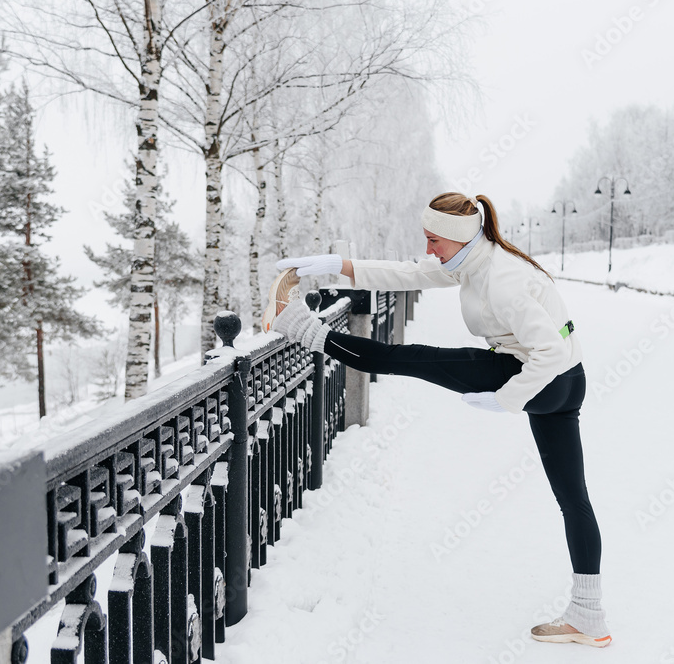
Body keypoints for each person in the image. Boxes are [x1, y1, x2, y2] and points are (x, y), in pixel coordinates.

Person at [262, 192, 611, 648]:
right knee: (573, 500)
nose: (429, 249)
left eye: (433, 240)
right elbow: (408, 273)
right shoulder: (474, 256)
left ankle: (299, 326)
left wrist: (507, 399)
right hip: (568, 380)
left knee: (408, 359)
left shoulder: (502, 276)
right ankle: (590, 616)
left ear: (455, 237)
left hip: (537, 373)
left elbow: (548, 350)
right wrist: (338, 264)